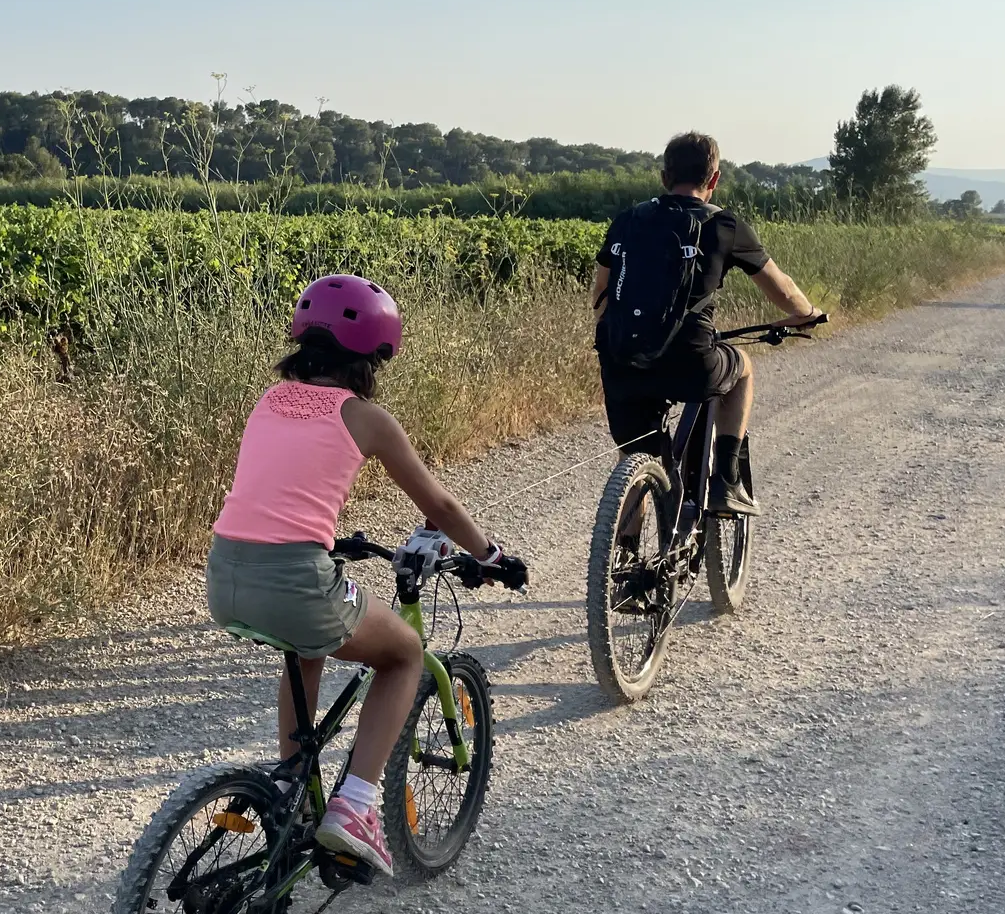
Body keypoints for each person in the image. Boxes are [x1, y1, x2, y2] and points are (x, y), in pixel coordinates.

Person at [208, 274, 525, 879]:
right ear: (374, 356)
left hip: (224, 575)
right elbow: (442, 509)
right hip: (297, 581)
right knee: (404, 652)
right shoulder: (367, 419)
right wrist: (489, 556)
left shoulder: (268, 401)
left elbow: (283, 489)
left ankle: (294, 802)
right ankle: (354, 807)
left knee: (307, 654)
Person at [590, 132, 822, 514]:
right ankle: (727, 480)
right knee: (743, 369)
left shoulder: (628, 220)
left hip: (621, 360)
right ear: (713, 179)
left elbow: (601, 291)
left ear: (664, 177)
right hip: (691, 360)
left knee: (634, 455)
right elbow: (782, 288)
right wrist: (806, 314)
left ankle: (624, 560)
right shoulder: (724, 226)